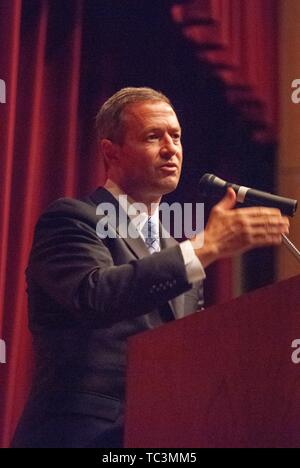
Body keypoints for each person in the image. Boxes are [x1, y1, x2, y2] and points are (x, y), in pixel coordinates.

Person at [12, 87, 289, 448]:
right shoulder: (73, 218)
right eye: (152, 136)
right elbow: (94, 295)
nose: (171, 148)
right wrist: (206, 247)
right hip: (80, 434)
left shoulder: (179, 250)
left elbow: (187, 350)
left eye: (176, 136)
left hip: (161, 435)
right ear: (111, 152)